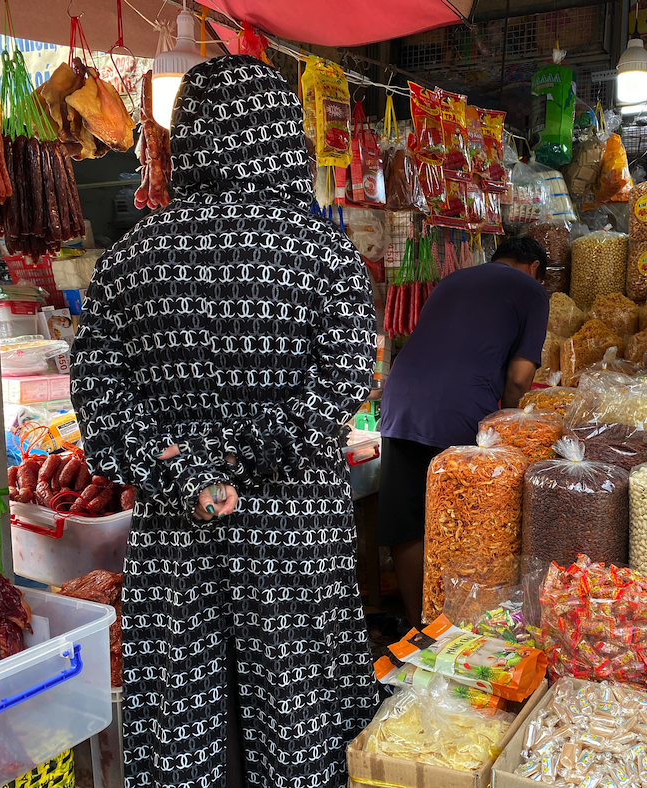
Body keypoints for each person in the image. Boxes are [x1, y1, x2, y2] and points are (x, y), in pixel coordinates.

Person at [70, 56, 379, 788]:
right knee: (299, 719)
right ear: (284, 138)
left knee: (184, 723)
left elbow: (98, 403)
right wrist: (248, 452)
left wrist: (185, 465)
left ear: (192, 140)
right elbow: (339, 387)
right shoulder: (324, 252)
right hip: (294, 539)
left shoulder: (130, 258)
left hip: (179, 536)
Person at [376, 236, 550, 627]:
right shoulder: (533, 291)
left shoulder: (454, 279)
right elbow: (520, 378)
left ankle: (418, 624)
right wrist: (508, 426)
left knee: (409, 520)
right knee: (468, 522)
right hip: (462, 408)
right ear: (535, 266)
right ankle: (458, 626)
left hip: (401, 400)